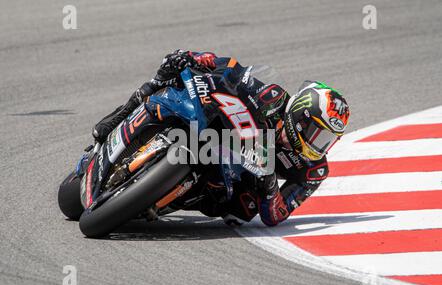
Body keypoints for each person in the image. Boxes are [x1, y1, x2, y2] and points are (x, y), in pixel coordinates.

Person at [92, 50, 350, 226]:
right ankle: (117, 121)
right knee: (166, 80)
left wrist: (269, 183)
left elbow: (276, 215)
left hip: (241, 177)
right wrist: (201, 59)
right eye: (317, 132)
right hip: (221, 132)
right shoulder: (273, 97)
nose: (320, 143)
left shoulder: (314, 170)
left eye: (327, 138)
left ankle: (161, 199)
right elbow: (233, 72)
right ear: (300, 116)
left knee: (241, 211)